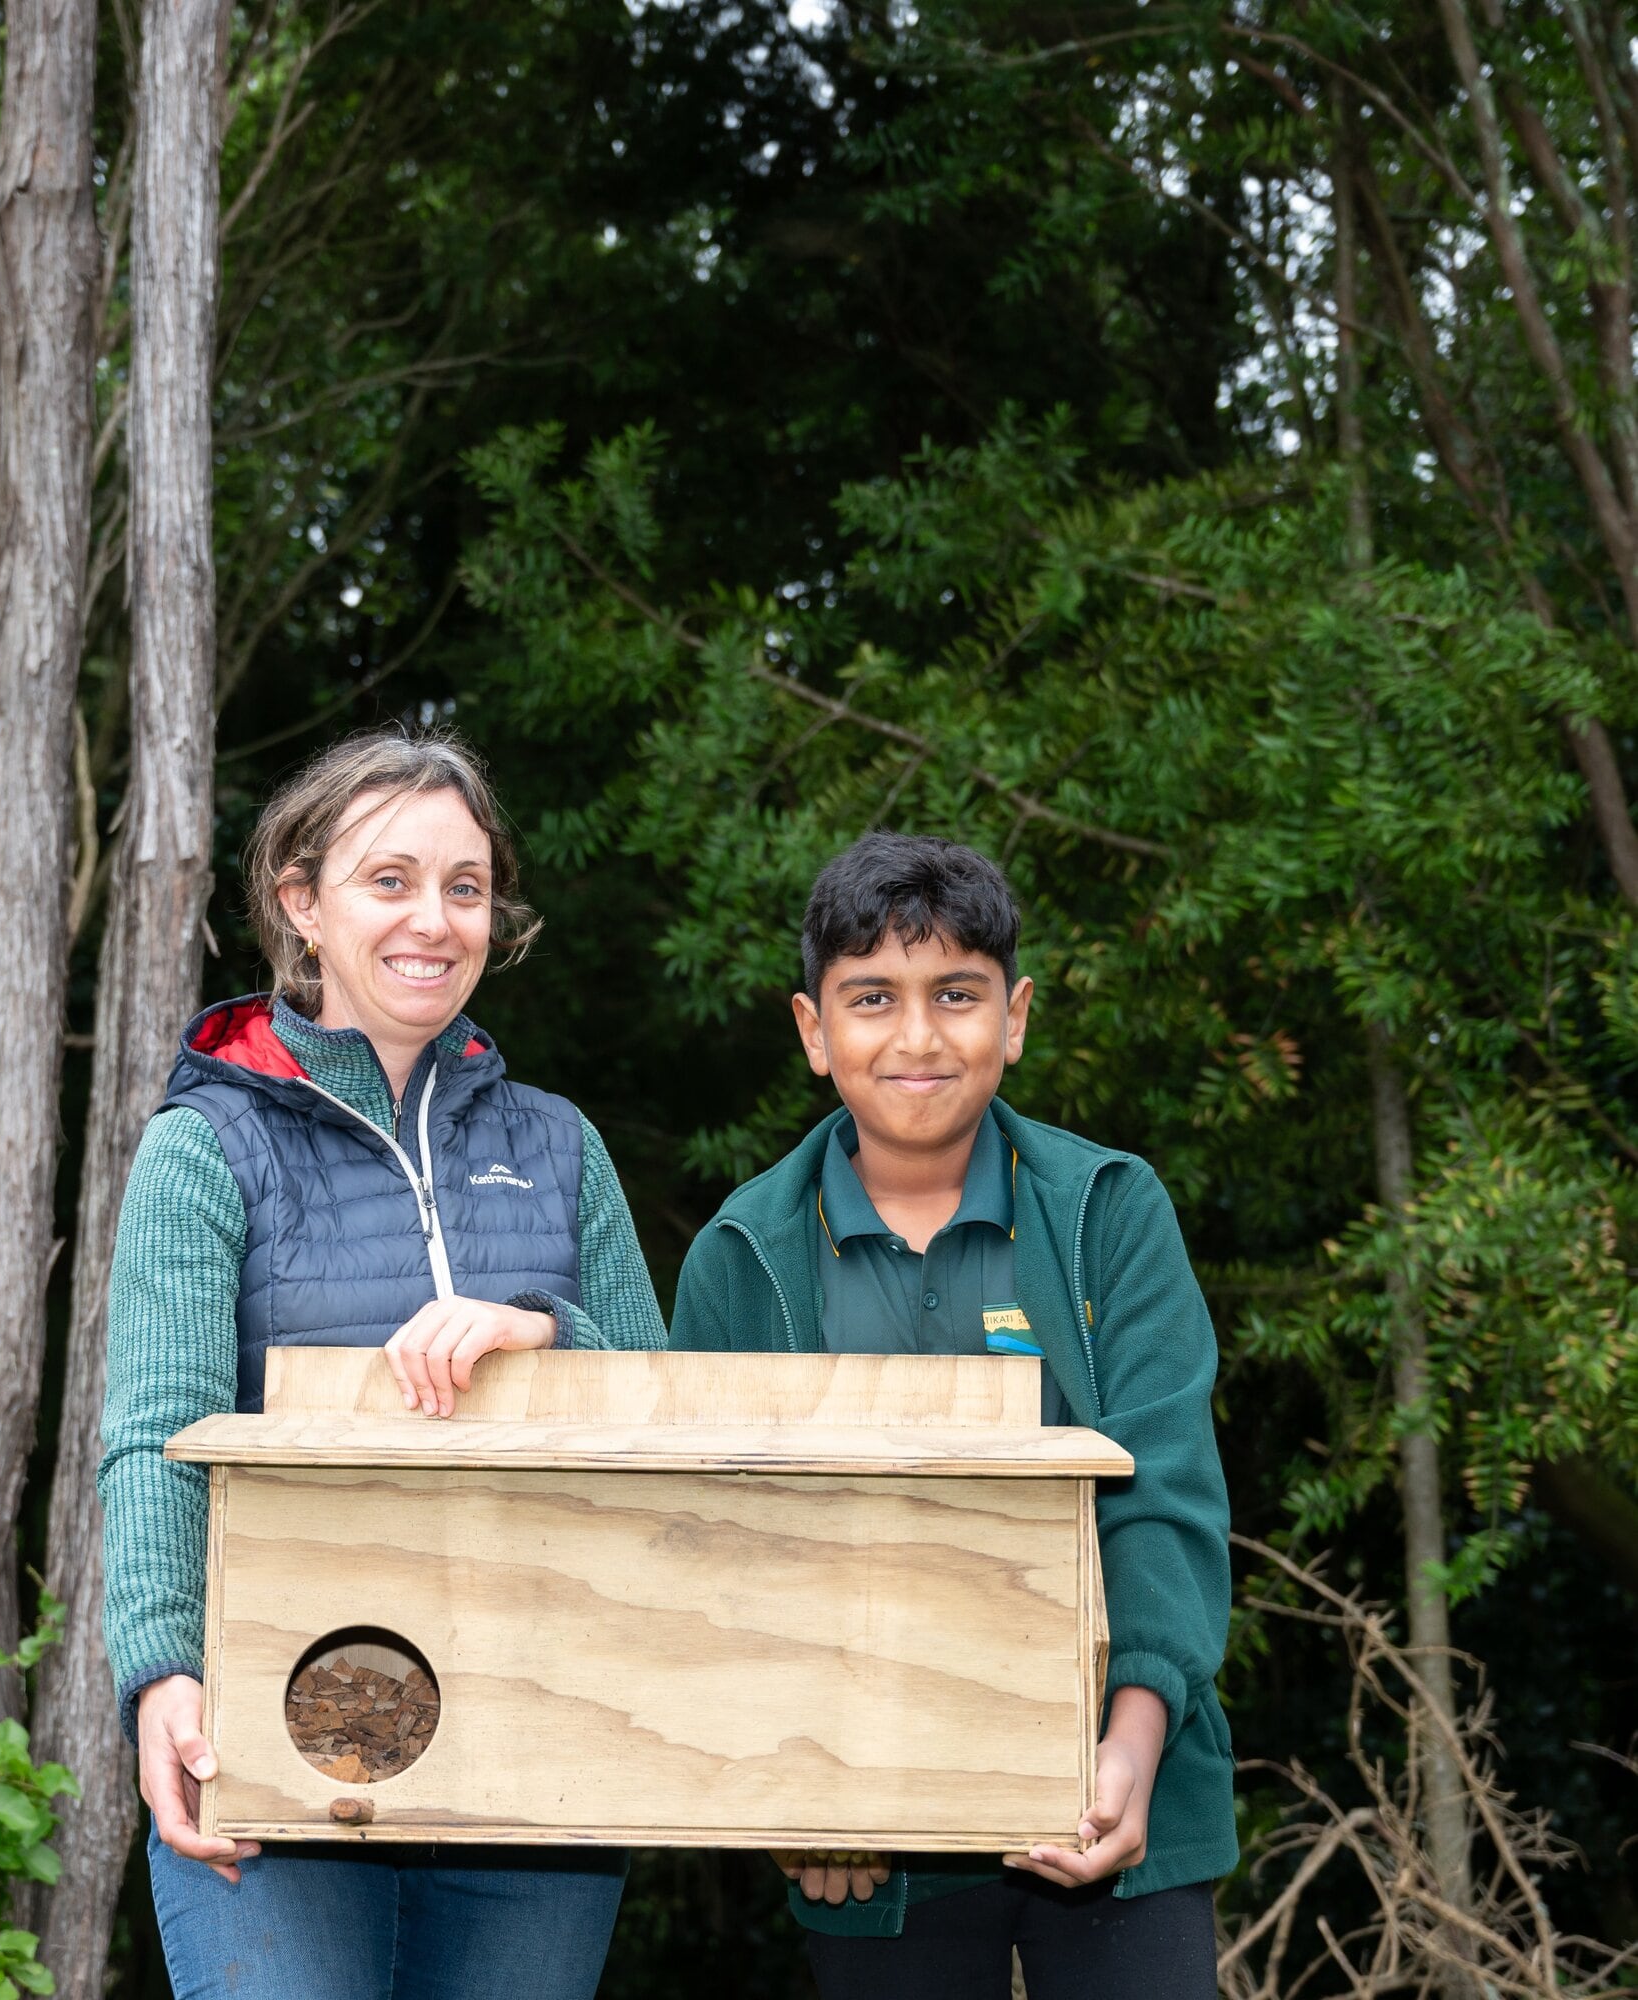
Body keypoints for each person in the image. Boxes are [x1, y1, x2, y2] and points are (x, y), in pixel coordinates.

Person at [99, 728, 665, 2000]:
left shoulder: (561, 1145)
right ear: (302, 902)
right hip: (277, 1756)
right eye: (389, 879)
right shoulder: (206, 1145)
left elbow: (664, 1405)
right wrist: (161, 1673)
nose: (435, 918)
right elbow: (155, 1432)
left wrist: (542, 1327)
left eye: (464, 886)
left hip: (542, 1761)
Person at [669, 830, 1235, 2000]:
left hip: (1113, 1788)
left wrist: (1129, 1745)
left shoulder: (1106, 1213)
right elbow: (713, 1551)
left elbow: (1166, 1498)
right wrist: (791, 1786)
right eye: (871, 997)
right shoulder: (742, 1252)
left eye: (957, 995)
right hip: (864, 1832)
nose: (918, 1036)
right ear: (814, 1031)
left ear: (1014, 1016)